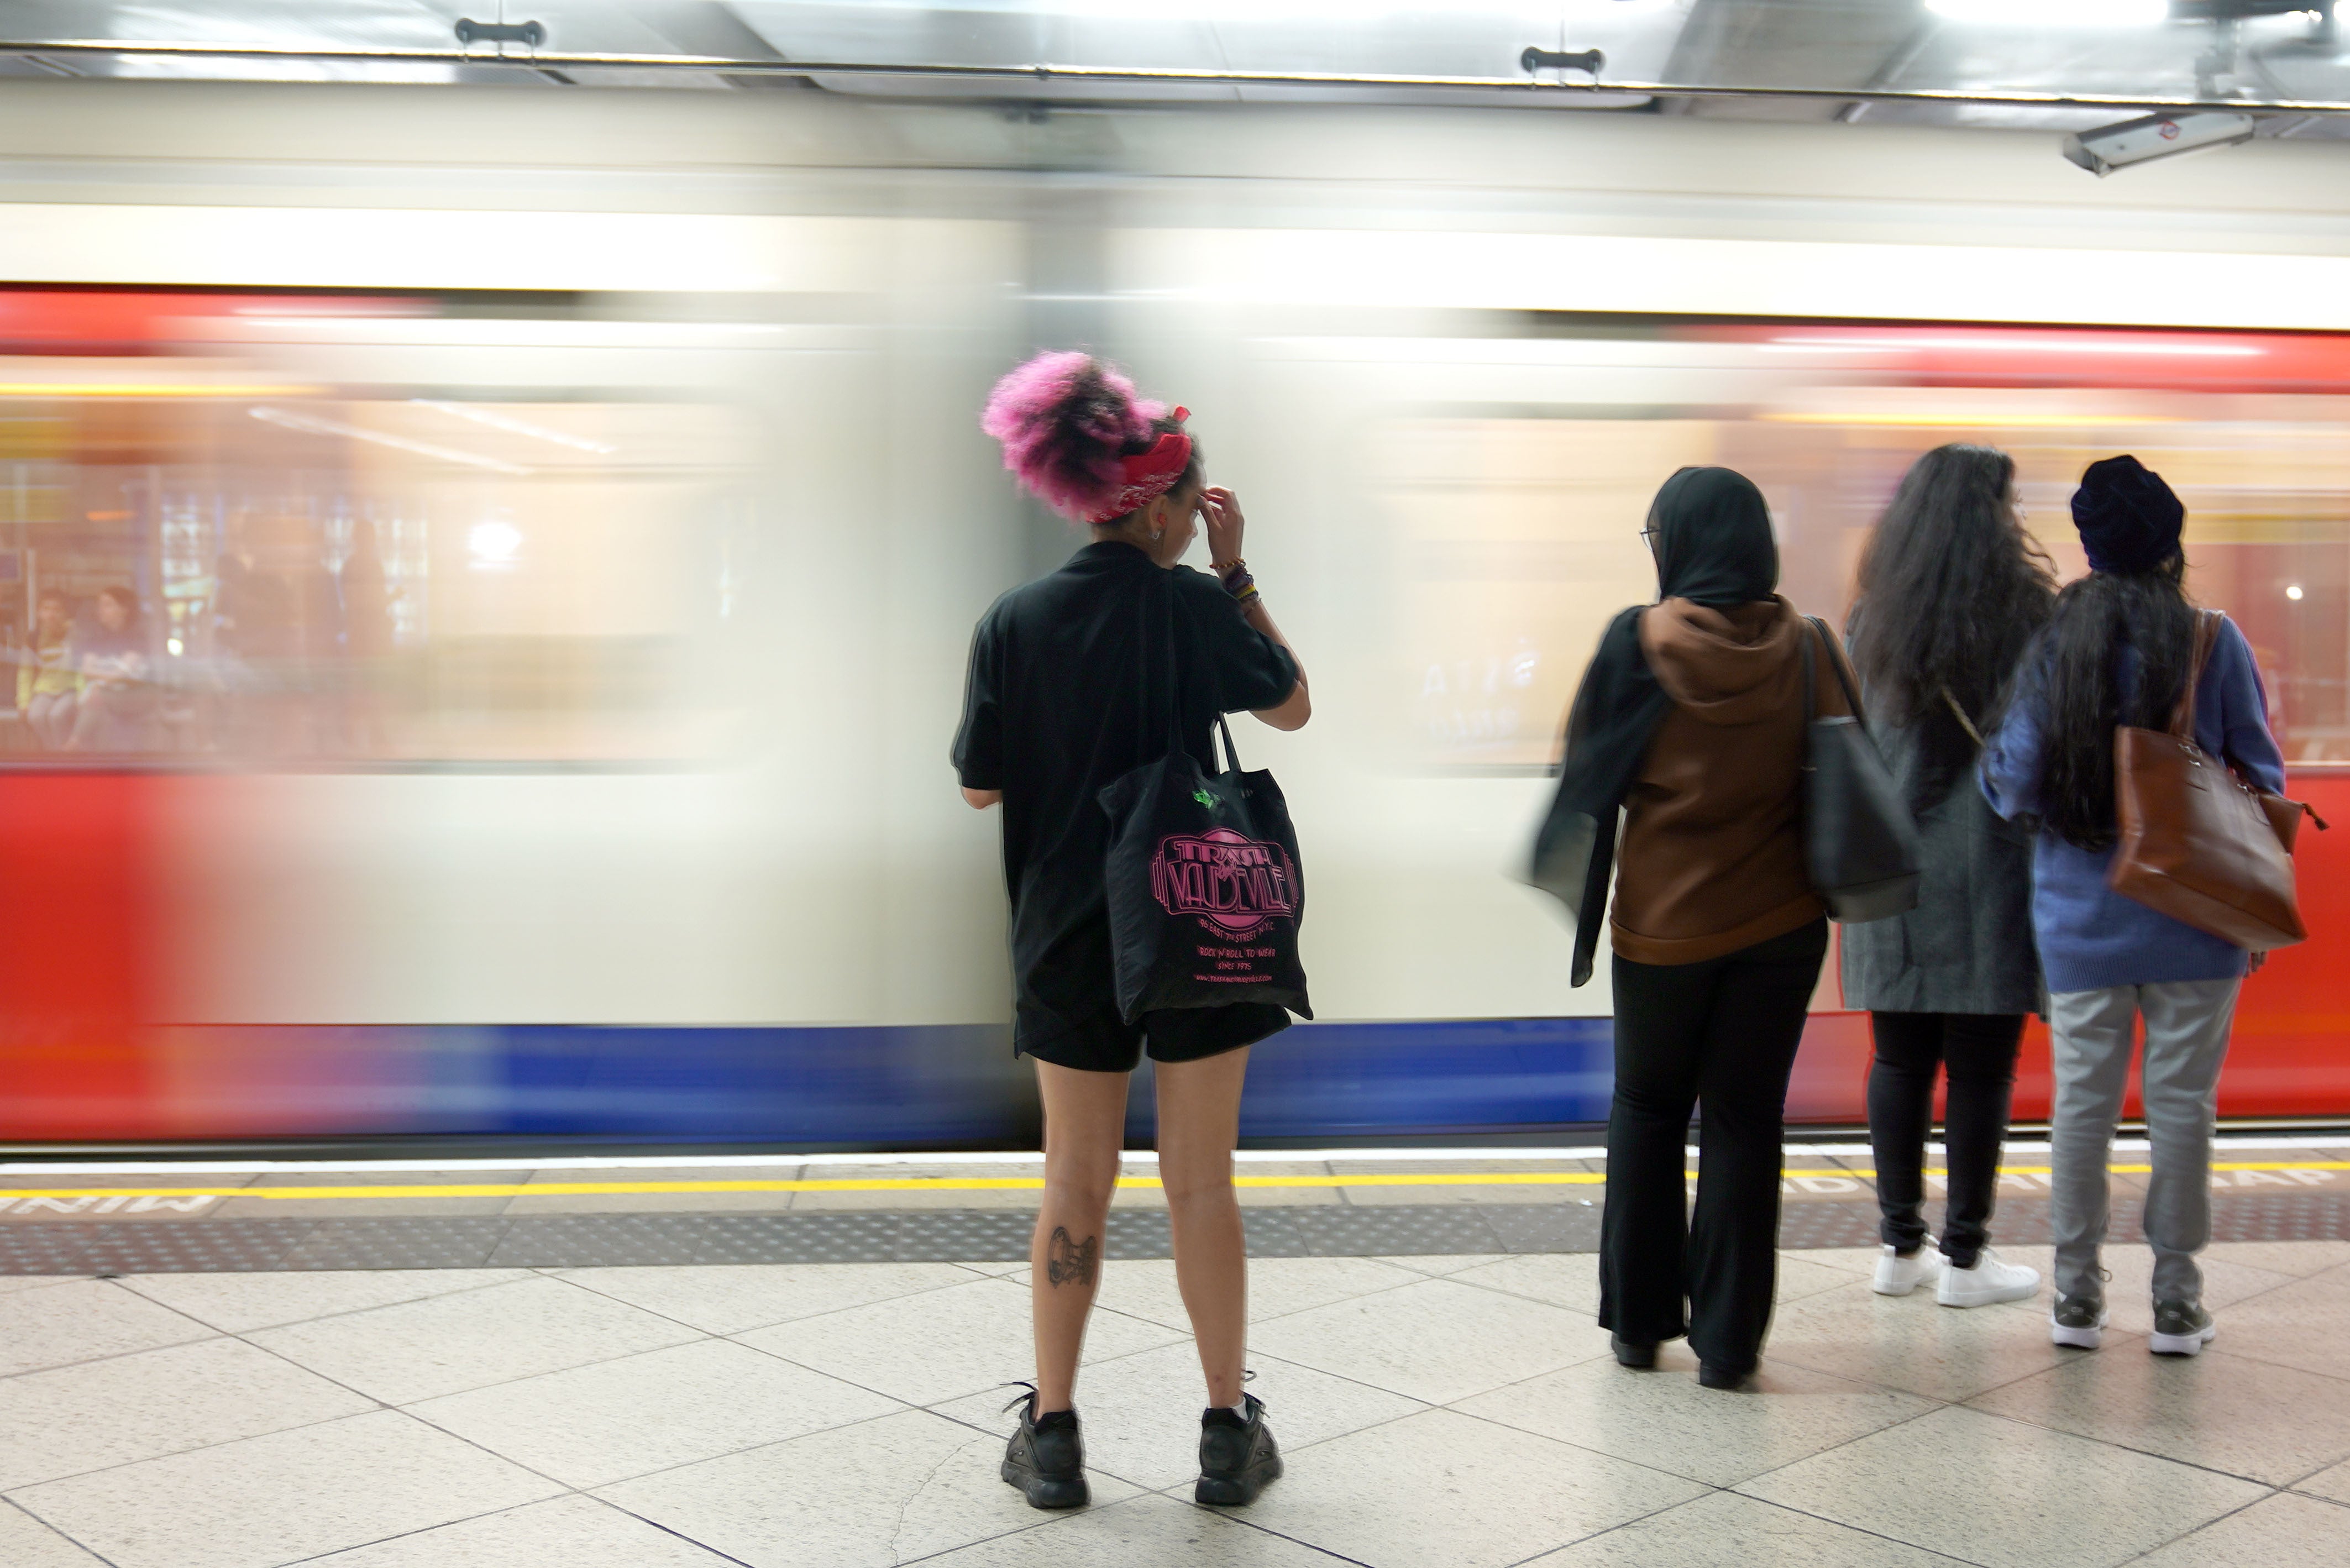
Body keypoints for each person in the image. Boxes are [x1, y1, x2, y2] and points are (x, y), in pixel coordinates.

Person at [952, 352, 1309, 1509]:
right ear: (1162, 506)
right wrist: (1234, 565)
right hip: (1195, 916)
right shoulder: (1198, 606)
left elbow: (978, 786)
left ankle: (1052, 1432)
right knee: (1199, 1180)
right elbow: (1291, 701)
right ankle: (1221, 1427)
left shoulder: (1012, 619)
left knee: (1076, 1179)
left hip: (1068, 929)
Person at [1542, 466, 1848, 1390]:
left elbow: (1585, 768)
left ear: (1672, 544)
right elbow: (1840, 773)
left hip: (1662, 927)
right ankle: (1729, 1343)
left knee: (1646, 1108)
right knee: (1745, 1120)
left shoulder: (1633, 643)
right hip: (1782, 925)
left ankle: (1639, 1326)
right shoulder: (1809, 648)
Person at [1982, 455, 2284, 1358]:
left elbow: (2012, 784)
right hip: (2195, 914)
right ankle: (2176, 1301)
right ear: (2170, 544)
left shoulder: (2057, 643)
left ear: (2089, 546)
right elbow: (2260, 778)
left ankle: (2076, 1297)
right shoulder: (2210, 639)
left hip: (2079, 919)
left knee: (2082, 1106)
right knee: (2183, 1105)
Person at [1842, 445, 2055, 1308]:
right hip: (1992, 868)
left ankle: (1900, 1249)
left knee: (1897, 1062)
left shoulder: (1871, 617)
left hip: (1891, 866)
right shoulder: (2030, 613)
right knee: (1979, 1070)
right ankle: (1967, 1259)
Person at [65, 586, 162, 753]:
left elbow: (122, 674)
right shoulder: (96, 636)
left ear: (124, 610)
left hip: (139, 693)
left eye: (108, 605)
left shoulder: (138, 636)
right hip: (107, 693)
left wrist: (102, 679)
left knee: (95, 697)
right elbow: (87, 671)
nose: (100, 610)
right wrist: (106, 679)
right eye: (100, 605)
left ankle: (75, 744)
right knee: (95, 704)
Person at [19, 589, 77, 748]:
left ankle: (64, 759)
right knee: (36, 715)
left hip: (71, 688)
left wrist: (84, 693)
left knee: (57, 716)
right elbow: (26, 671)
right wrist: (24, 702)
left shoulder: (74, 633)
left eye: (57, 610)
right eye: (46, 609)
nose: (51, 614)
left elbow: (81, 667)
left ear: (65, 613)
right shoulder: (34, 637)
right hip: (46, 689)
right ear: (39, 612)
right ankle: (56, 754)